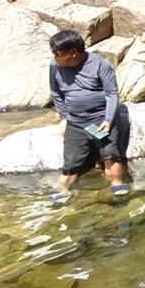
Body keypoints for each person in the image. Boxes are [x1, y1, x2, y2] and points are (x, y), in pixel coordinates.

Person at [49, 30, 131, 203]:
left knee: (110, 154)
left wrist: (109, 120)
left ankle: (117, 183)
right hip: (75, 121)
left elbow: (111, 94)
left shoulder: (100, 64)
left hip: (100, 118)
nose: (54, 56)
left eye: (58, 54)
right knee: (71, 163)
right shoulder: (54, 66)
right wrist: (63, 117)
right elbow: (56, 93)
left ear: (73, 53)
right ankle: (64, 191)